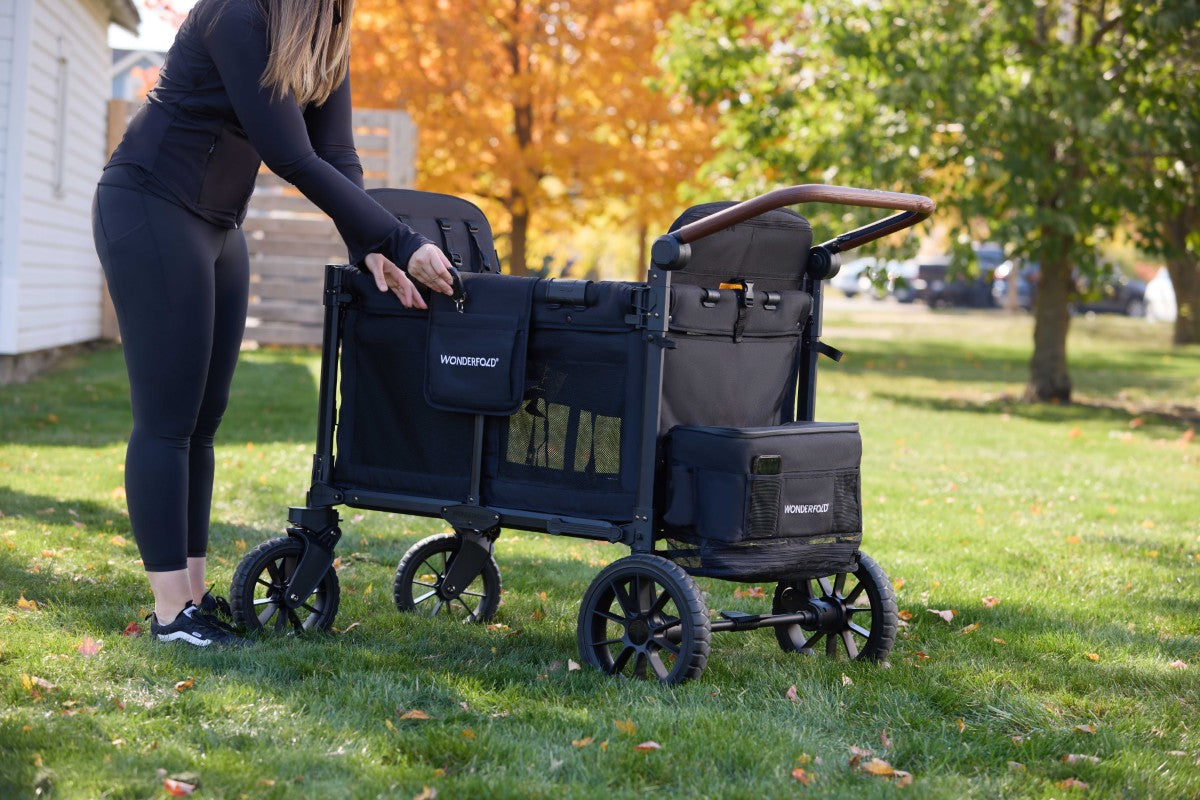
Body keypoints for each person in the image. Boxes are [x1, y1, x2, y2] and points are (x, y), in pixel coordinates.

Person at [92, 0, 454, 647]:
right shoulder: (237, 15)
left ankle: (193, 597)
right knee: (169, 419)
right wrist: (399, 240)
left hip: (216, 224)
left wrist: (367, 246)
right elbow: (289, 153)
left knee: (204, 420)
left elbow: (335, 152)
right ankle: (171, 615)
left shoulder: (326, 28)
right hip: (151, 204)